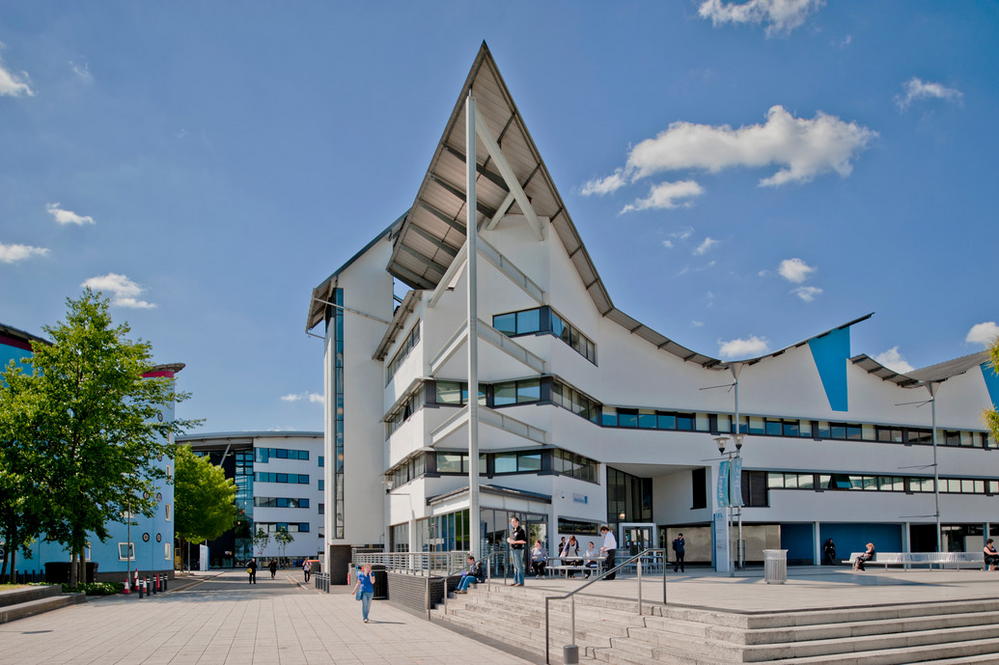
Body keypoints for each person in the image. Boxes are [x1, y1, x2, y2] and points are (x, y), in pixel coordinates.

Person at [507, 516, 527, 586]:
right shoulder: (512, 530)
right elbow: (510, 538)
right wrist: (508, 540)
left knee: (519, 566)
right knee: (515, 566)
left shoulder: (521, 531)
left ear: (517, 522)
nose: (512, 523)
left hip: (518, 550)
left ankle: (520, 582)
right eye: (511, 522)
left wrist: (514, 542)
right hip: (513, 550)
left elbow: (524, 541)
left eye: (513, 522)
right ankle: (515, 581)